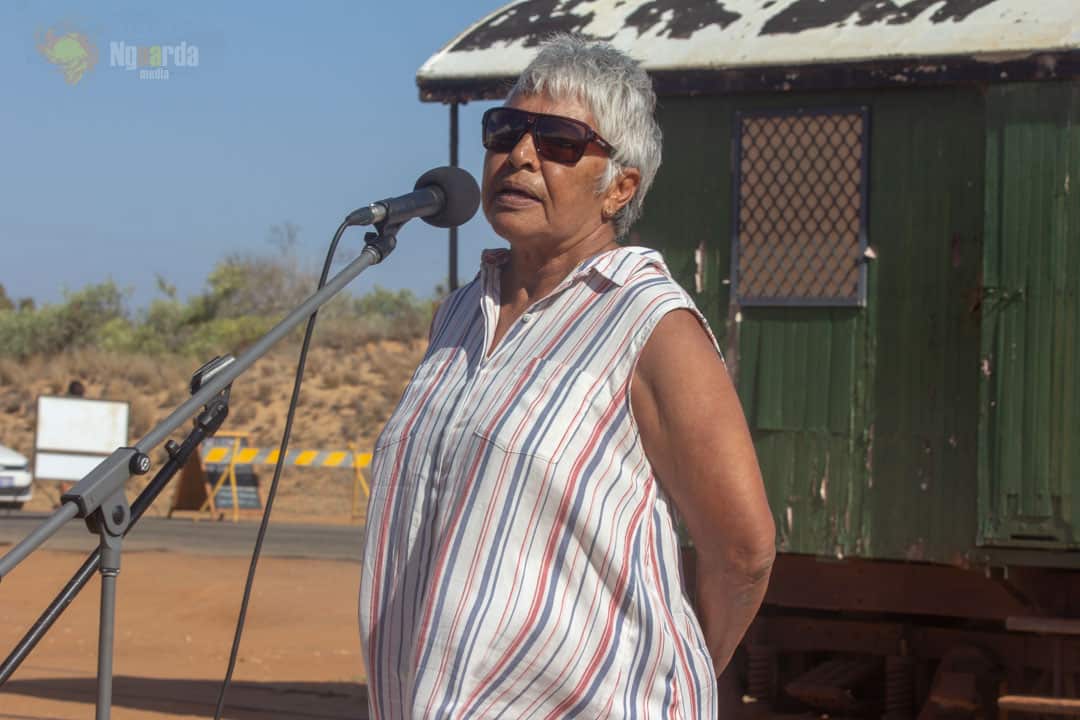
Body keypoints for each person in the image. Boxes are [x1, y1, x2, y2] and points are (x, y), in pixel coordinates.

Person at [359, 34, 775, 718]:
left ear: (620, 187)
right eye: (506, 130)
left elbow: (743, 550)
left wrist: (674, 669)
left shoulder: (649, 324)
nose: (520, 154)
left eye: (558, 142)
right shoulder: (462, 314)